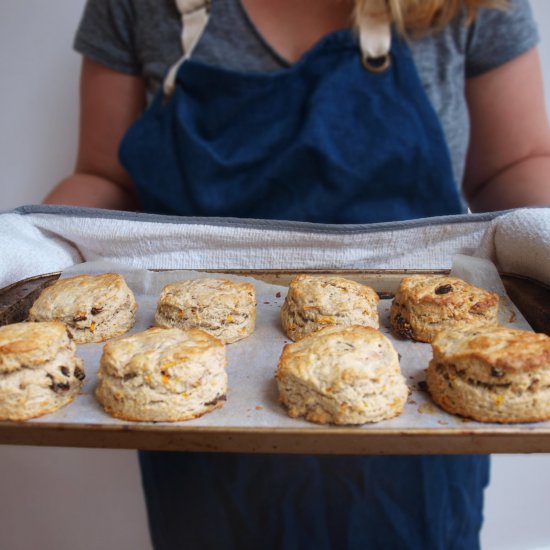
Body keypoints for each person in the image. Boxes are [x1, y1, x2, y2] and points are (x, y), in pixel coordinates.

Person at [45, 0, 550, 548]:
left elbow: (513, 162)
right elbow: (103, 176)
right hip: (198, 414)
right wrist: (27, 246)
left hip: (415, 427)